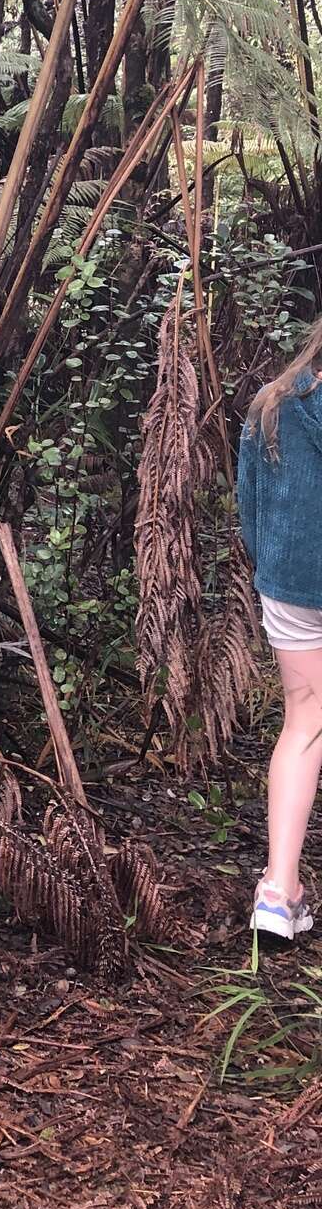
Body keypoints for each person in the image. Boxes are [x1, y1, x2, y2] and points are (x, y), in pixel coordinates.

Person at [238, 319, 322, 939]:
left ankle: (278, 891)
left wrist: (271, 567)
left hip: (293, 583)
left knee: (306, 720)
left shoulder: (276, 403)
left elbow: (251, 508)